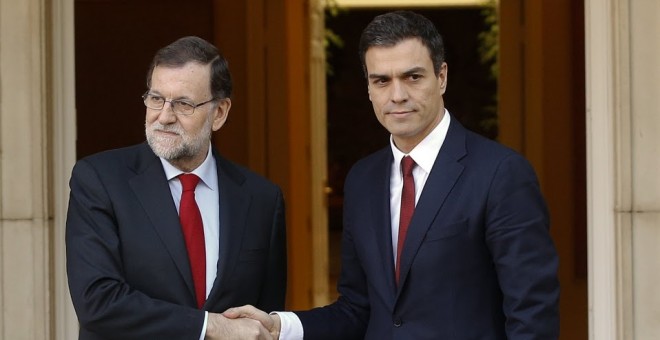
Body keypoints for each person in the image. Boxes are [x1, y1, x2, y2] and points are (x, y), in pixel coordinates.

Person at [225, 10, 560, 339]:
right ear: (369, 88)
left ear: (441, 77)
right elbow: (357, 308)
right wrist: (281, 326)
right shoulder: (362, 179)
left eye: (413, 77)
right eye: (381, 80)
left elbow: (532, 314)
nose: (397, 95)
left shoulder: (501, 173)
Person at [66, 36, 286, 340]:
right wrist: (210, 326)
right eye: (156, 98)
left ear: (219, 112)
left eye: (183, 104)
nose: (164, 116)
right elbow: (98, 302)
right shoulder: (99, 180)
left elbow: (262, 321)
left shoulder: (262, 199)